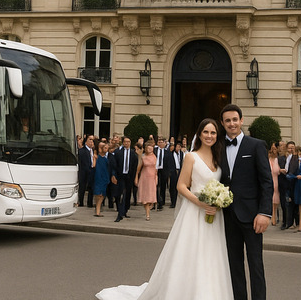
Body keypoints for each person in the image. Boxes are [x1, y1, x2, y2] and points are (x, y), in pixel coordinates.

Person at [96, 118, 232, 300]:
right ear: (199, 135)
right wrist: (200, 203)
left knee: (212, 254)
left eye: (213, 132)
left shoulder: (219, 157)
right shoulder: (191, 157)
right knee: (191, 252)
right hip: (194, 211)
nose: (209, 136)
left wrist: (218, 200)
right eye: (206, 132)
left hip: (214, 215)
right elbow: (181, 186)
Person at [220, 104, 273, 300]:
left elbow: (266, 181)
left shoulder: (256, 145)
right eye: (227, 120)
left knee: (255, 264)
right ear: (222, 123)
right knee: (234, 265)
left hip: (252, 216)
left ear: (241, 121)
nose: (232, 124)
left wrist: (264, 213)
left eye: (235, 119)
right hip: (227, 216)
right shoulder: (218, 146)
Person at [113, 137, 138, 222]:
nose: (127, 143)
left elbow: (135, 167)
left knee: (127, 194)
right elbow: (114, 165)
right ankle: (120, 213)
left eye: (128, 142)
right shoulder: (118, 152)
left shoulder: (133, 154)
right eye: (125, 142)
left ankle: (125, 210)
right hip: (120, 176)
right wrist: (114, 175)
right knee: (120, 194)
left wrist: (134, 178)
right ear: (123, 143)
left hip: (129, 177)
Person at [135, 140, 158, 221]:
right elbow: (138, 169)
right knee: (145, 197)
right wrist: (136, 177)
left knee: (151, 196)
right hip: (144, 178)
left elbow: (156, 169)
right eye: (148, 148)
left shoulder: (155, 157)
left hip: (152, 178)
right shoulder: (143, 157)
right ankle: (147, 213)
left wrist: (156, 177)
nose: (150, 150)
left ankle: (149, 209)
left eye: (151, 148)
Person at [93, 140, 117, 217]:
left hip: (105, 177)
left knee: (102, 194)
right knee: (98, 194)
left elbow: (112, 167)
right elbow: (93, 166)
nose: (106, 149)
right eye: (105, 148)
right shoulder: (97, 157)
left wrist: (112, 176)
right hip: (98, 177)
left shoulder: (108, 158)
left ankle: (98, 210)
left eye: (107, 148)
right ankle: (97, 210)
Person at [278, 141, 297, 230]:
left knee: (293, 203)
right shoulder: (281, 158)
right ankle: (285, 221)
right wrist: (280, 170)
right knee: (283, 203)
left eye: (293, 147)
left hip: (292, 182)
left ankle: (293, 222)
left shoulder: (296, 158)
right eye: (289, 148)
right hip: (283, 182)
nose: (291, 149)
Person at [78, 135, 95, 207]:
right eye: (90, 139)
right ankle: (81, 202)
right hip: (84, 172)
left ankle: (90, 202)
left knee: (91, 187)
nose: (91, 141)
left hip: (92, 171)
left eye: (93, 140)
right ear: (86, 141)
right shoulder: (82, 151)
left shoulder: (94, 151)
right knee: (82, 187)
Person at [268, 142, 280, 227]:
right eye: (272, 149)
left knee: (275, 199)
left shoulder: (278, 160)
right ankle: (271, 216)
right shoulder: (267, 159)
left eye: (275, 149)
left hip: (276, 180)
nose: (273, 151)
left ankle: (274, 217)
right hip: (269, 180)